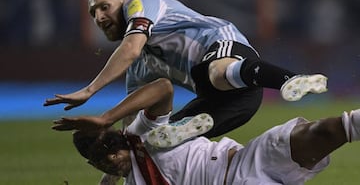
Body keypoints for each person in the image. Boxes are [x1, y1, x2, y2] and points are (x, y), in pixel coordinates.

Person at [45, 0, 328, 138]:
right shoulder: (142, 64)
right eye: (94, 14)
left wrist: (89, 91)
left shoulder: (140, 3)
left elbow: (130, 48)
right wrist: (114, 172)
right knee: (158, 140)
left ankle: (290, 79)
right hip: (236, 101)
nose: (99, 17)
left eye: (104, 7)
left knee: (213, 73)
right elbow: (133, 124)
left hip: (223, 46)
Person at [53, 78, 360, 185]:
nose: (112, 164)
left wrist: (107, 117)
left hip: (245, 160)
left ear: (117, 141)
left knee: (321, 132)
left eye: (110, 157)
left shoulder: (143, 134)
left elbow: (162, 88)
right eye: (102, 165)